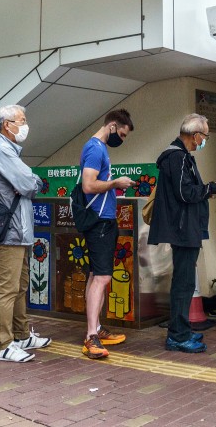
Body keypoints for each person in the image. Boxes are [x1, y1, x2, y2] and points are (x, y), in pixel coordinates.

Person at [148, 114, 216, 353]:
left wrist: (205, 191)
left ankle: (181, 330)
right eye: (204, 136)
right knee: (183, 283)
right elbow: (185, 194)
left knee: (183, 283)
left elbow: (184, 191)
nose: (204, 141)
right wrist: (211, 187)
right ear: (195, 135)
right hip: (183, 229)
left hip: (183, 228)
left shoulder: (178, 157)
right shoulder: (178, 157)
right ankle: (178, 336)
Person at [0, 105, 49, 362]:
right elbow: (27, 182)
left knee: (21, 286)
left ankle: (21, 335)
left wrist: (31, 182)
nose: (24, 125)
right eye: (20, 121)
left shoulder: (8, 150)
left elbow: (30, 182)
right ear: (6, 125)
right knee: (8, 289)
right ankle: (3, 344)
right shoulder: (0, 149)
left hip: (19, 231)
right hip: (9, 232)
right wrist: (32, 182)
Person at [79, 110, 135, 359]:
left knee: (96, 276)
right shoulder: (95, 149)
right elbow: (88, 185)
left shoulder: (98, 148)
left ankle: (97, 329)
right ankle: (92, 335)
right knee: (101, 278)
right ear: (112, 126)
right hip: (100, 222)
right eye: (121, 134)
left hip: (103, 221)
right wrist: (115, 183)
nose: (121, 139)